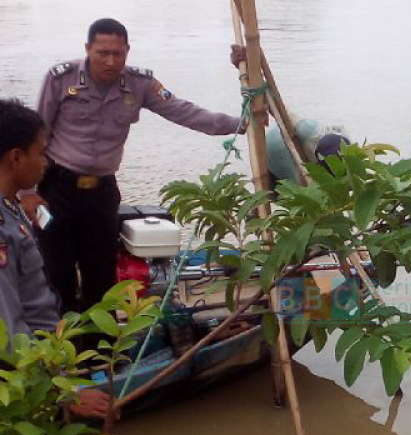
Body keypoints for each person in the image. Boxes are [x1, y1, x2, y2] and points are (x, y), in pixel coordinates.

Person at [20, 18, 246, 314]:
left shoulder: (140, 84)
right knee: (55, 270)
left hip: (101, 193)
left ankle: (101, 351)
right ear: (88, 49)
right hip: (55, 191)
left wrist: (238, 124)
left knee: (100, 273)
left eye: (118, 53)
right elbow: (37, 134)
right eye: (102, 52)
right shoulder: (61, 79)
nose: (111, 61)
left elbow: (183, 112)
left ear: (128, 50)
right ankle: (60, 348)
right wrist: (27, 191)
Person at [0, 97, 111, 435]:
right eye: (42, 152)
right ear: (15, 158)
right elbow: (8, 332)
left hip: (37, 371)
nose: (48, 161)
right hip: (20, 387)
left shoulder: (12, 207)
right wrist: (65, 394)